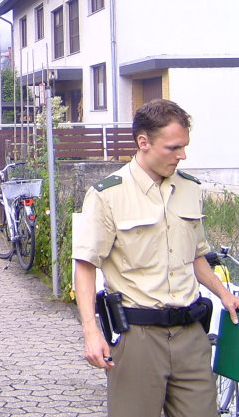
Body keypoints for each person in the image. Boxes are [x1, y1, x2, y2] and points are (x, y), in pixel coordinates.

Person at [72, 99, 239, 417]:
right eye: (174, 147)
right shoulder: (108, 194)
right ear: (143, 143)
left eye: (185, 147)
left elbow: (196, 255)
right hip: (139, 339)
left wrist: (224, 295)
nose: (183, 155)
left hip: (191, 336)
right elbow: (85, 267)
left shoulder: (189, 188)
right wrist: (91, 334)